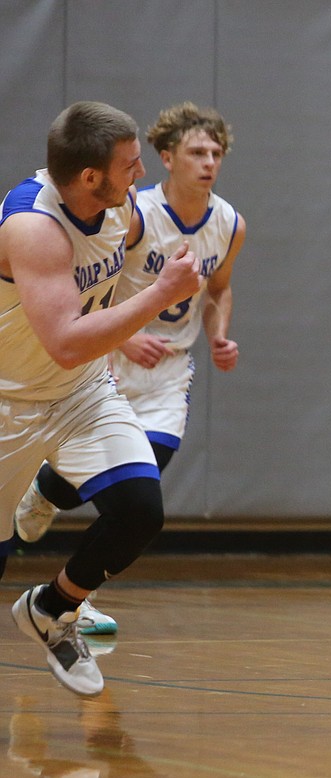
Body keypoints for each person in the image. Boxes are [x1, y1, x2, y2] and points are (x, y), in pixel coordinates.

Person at [14, 103, 246, 632]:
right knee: (80, 488)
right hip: (108, 356)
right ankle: (46, 492)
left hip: (168, 372)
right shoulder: (131, 211)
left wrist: (219, 335)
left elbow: (219, 289)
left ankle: (77, 594)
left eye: (216, 152)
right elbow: (95, 283)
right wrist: (131, 333)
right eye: (197, 151)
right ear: (167, 157)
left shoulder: (230, 223)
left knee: (138, 495)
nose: (209, 161)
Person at [0, 101, 201, 696]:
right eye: (131, 166)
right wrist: (157, 296)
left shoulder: (124, 210)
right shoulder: (34, 227)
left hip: (82, 391)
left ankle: (52, 609)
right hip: (9, 400)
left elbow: (126, 275)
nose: (140, 176)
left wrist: (135, 313)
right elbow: (62, 340)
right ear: (90, 177)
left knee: (140, 510)